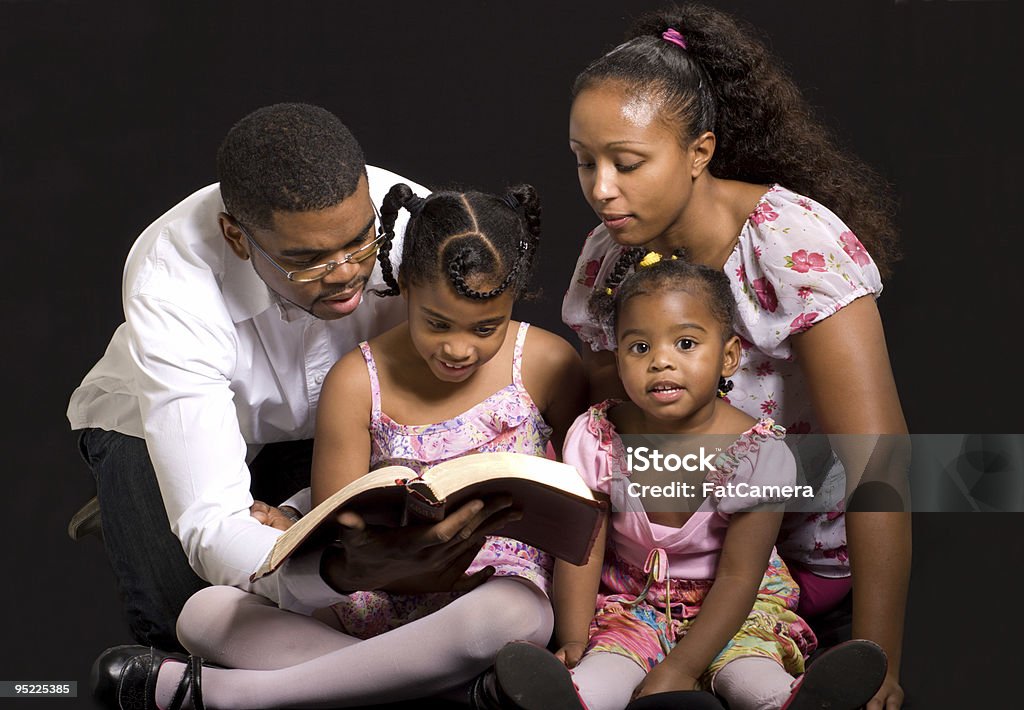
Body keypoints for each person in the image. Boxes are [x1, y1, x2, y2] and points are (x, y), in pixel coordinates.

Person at [92, 181, 589, 709]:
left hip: (490, 588)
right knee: (203, 612)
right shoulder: (357, 379)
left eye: (486, 328)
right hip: (384, 587)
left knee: (514, 615)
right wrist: (312, 524)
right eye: (437, 323)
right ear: (404, 289)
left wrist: (578, 631)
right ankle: (462, 697)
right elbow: (338, 521)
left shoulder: (549, 364)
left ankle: (230, 696)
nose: (459, 348)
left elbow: (589, 491)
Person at [560, 5, 911, 708]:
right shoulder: (608, 260)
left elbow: (880, 457)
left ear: (699, 151)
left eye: (627, 163)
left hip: (799, 574)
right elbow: (607, 427)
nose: (601, 188)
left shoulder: (790, 247)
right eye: (584, 161)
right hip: (655, 579)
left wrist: (879, 662)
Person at [68, 103, 515, 654]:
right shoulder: (171, 280)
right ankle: (145, 491)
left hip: (348, 419)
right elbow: (213, 522)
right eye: (308, 260)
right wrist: (338, 571)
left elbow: (471, 369)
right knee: (182, 617)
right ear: (236, 237)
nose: (348, 273)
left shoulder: (413, 224)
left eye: (359, 243)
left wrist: (309, 515)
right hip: (166, 417)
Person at [477, 256, 887, 710]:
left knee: (746, 671)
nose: (661, 362)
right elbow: (583, 550)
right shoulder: (597, 438)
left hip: (736, 608)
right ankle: (574, 698)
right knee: (607, 666)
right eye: (639, 349)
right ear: (618, 358)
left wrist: (681, 670)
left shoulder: (756, 456)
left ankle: (792, 700)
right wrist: (574, 640)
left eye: (686, 343)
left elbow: (738, 578)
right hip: (634, 601)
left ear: (728, 356)